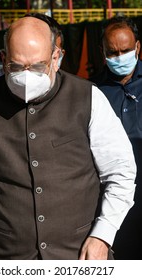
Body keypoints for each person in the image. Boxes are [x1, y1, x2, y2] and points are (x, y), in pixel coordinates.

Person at [0, 16, 136, 260]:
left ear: (56, 58)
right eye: (16, 66)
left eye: (36, 66)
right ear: (3, 60)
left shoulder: (89, 98)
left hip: (78, 256)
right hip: (2, 258)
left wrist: (102, 235)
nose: (26, 76)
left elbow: (121, 173)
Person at [91, 16, 142, 260]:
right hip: (113, 201)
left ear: (138, 48)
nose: (120, 57)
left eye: (125, 50)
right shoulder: (92, 93)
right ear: (102, 52)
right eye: (113, 52)